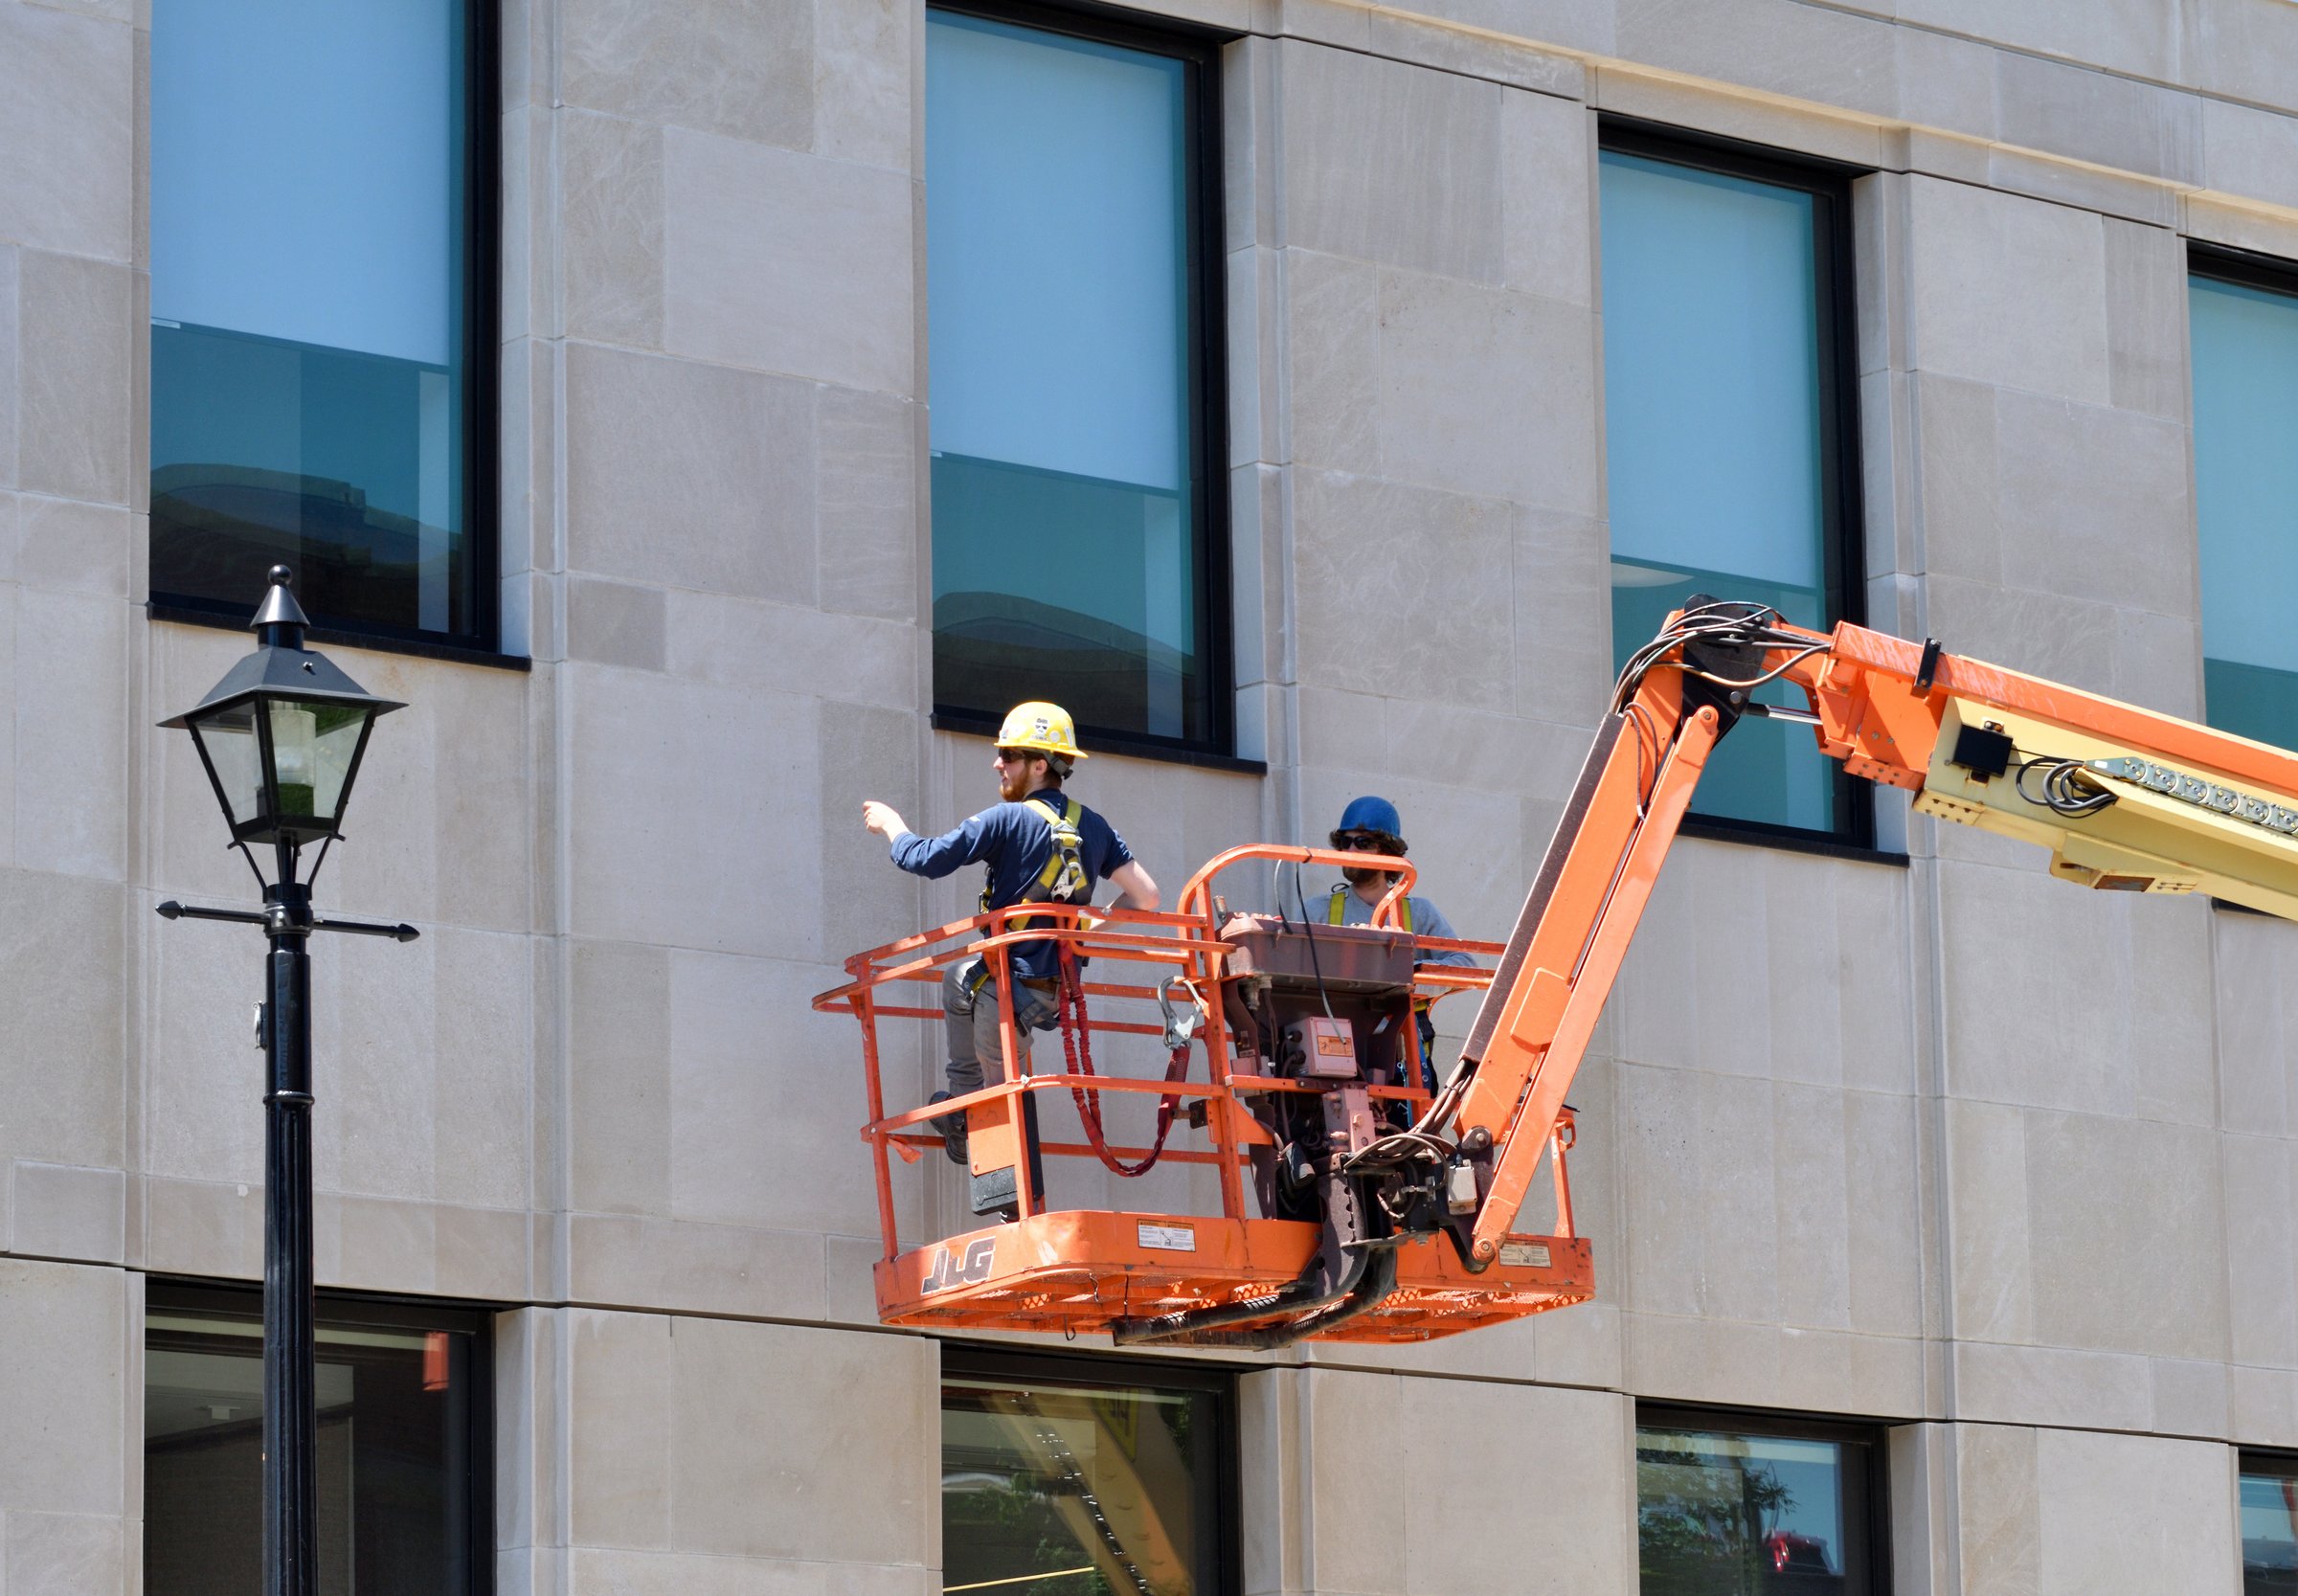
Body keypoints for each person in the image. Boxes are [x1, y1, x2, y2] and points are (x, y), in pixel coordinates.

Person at [862, 701, 1159, 1217]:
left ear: (1040, 764)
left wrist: (892, 825)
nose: (998, 764)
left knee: (1001, 1100)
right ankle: (963, 1115)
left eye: (1008, 756)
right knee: (957, 979)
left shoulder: (1008, 819)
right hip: (1052, 991)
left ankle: (997, 1177)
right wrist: (1085, 931)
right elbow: (1148, 896)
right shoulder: (1095, 827)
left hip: (1006, 990)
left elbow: (924, 858)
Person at [1322, 796, 1473, 1095]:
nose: (1350, 850)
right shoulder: (1319, 911)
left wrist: (1408, 972)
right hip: (1335, 1054)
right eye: (1345, 842)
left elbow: (1465, 967)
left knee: (1413, 1138)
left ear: (1387, 850)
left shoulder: (1417, 913)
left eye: (1363, 842)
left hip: (1406, 1059)